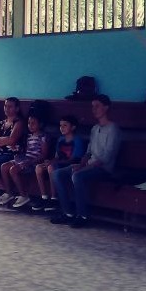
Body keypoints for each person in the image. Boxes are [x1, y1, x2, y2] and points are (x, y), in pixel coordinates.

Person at [50, 95, 121, 229]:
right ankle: (68, 213)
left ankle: (82, 215)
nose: (94, 109)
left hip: (103, 169)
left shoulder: (113, 129)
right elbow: (88, 151)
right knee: (57, 174)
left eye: (97, 106)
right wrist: (81, 164)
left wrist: (84, 168)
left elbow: (106, 157)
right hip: (89, 165)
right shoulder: (94, 128)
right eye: (92, 106)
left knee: (77, 176)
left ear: (106, 107)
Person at [31, 115, 86, 213]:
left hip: (70, 165)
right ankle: (44, 197)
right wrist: (50, 161)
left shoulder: (77, 140)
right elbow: (57, 156)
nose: (62, 128)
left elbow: (73, 160)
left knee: (51, 168)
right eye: (61, 125)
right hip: (59, 162)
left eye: (65, 125)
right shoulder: (60, 139)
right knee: (39, 167)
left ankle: (54, 198)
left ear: (73, 127)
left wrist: (53, 162)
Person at [0, 114, 50, 210]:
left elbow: (44, 155)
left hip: (33, 163)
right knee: (4, 166)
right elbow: (26, 152)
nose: (30, 125)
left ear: (40, 124)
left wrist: (28, 162)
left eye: (33, 123)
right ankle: (9, 192)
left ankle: (23, 195)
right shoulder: (28, 136)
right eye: (29, 123)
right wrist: (16, 149)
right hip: (25, 159)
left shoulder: (43, 136)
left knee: (13, 170)